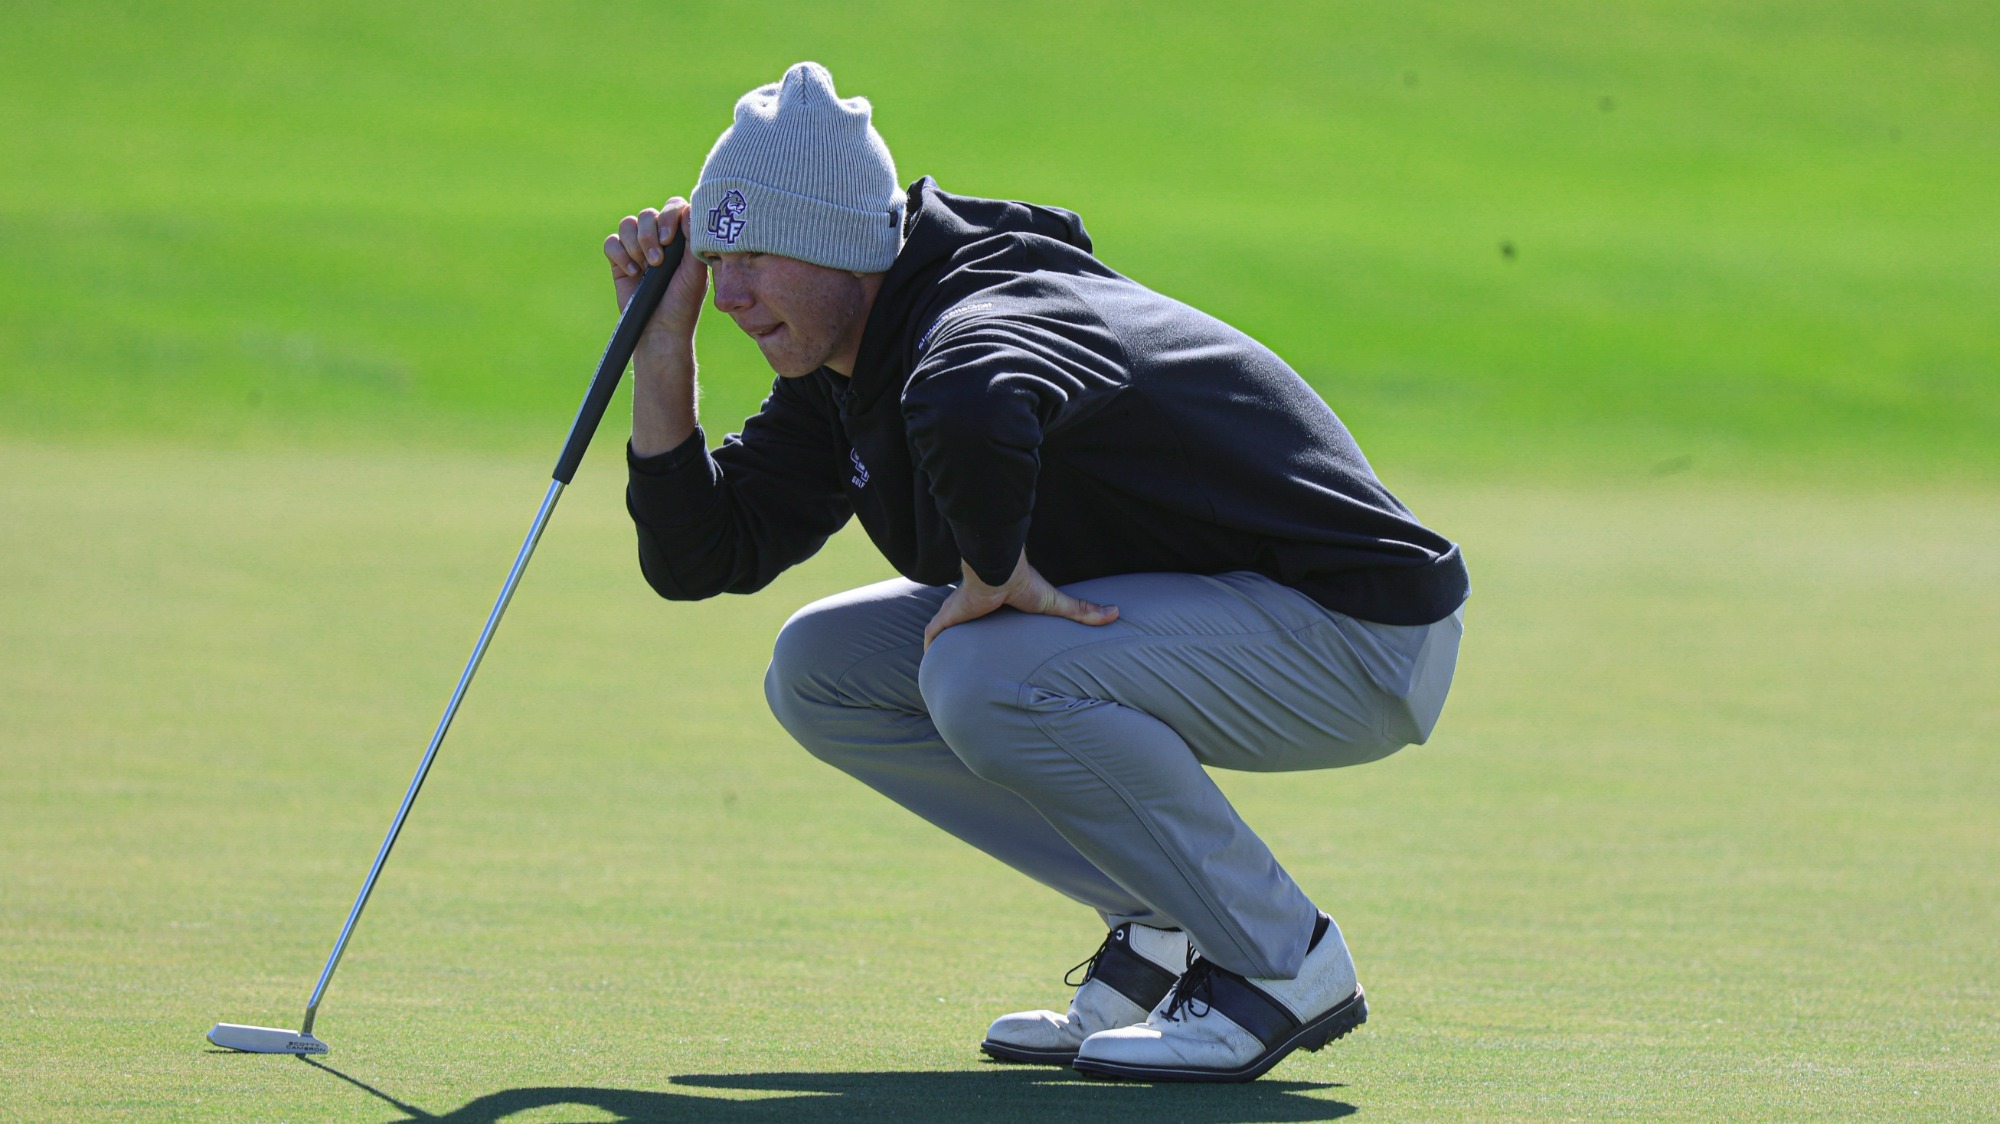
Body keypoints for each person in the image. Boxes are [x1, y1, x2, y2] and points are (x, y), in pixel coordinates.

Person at [608, 62, 1467, 1083]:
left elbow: (973, 398)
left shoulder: (992, 297)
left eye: (755, 253)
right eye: (716, 254)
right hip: (1221, 621)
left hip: (1356, 633)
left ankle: (1280, 961)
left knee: (982, 672)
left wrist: (987, 567)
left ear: (842, 242)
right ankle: (1163, 930)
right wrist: (660, 346)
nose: (731, 291)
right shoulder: (841, 364)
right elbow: (705, 552)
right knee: (818, 665)